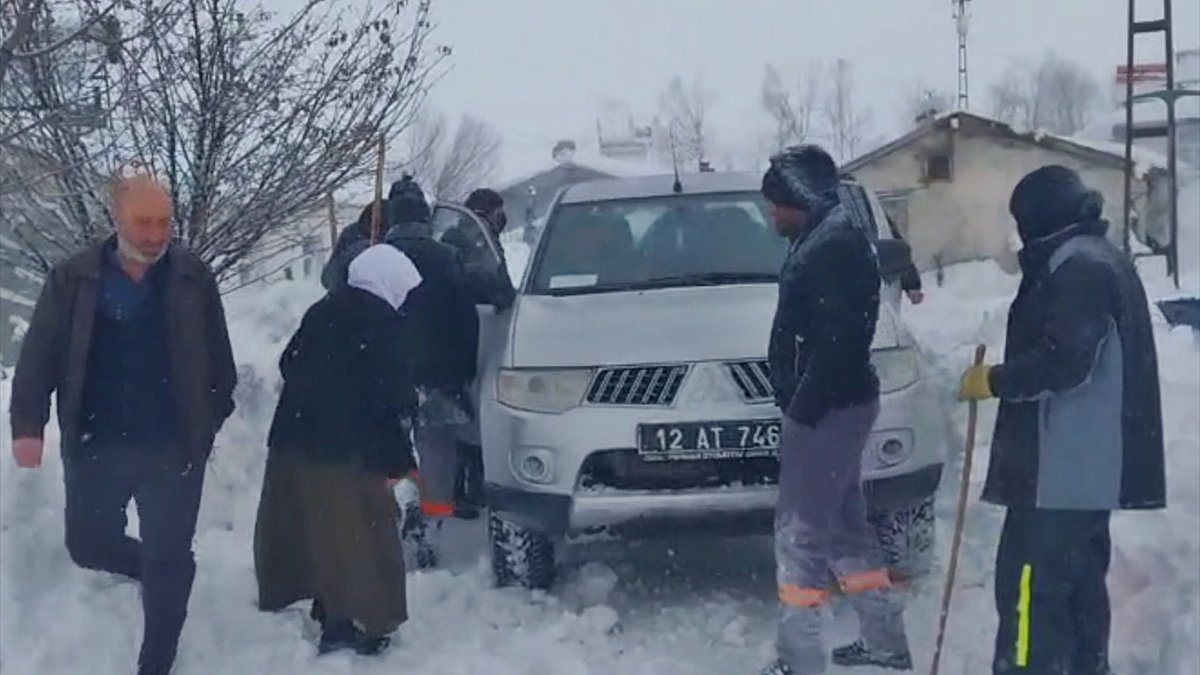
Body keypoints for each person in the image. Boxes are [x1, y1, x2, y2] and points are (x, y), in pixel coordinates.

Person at [9, 174, 237, 675]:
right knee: (87, 544)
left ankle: (156, 654)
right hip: (97, 440)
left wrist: (205, 425)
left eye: (164, 222)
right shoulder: (74, 278)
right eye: (143, 223)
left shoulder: (192, 277)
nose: (155, 235)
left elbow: (220, 364)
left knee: (167, 554)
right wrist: (28, 424)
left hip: (172, 445)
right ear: (116, 219)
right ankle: (158, 571)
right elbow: (40, 354)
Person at [958, 165, 1165, 675]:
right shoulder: (1094, 257)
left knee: (1030, 593)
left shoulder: (1079, 268)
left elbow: (1067, 360)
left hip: (1061, 469)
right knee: (1078, 593)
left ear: (1037, 219)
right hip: (1084, 472)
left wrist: (996, 380)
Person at [760, 145, 911, 675]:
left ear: (800, 196)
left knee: (799, 536)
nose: (771, 211)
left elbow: (837, 345)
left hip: (828, 407)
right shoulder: (824, 238)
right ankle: (886, 644)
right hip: (835, 402)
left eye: (777, 201)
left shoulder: (833, 248)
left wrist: (802, 410)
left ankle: (799, 661)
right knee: (846, 529)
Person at [255, 244, 421, 656]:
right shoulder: (381, 325)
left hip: (296, 440)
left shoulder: (323, 309)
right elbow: (390, 398)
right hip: (350, 451)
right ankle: (356, 624)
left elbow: (289, 363)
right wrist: (399, 460)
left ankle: (324, 602)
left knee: (313, 530)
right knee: (360, 538)